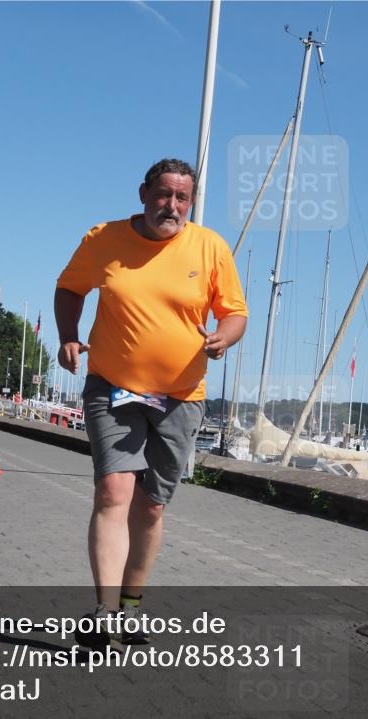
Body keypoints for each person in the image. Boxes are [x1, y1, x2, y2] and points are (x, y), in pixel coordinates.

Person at [54, 158, 247, 647]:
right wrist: (69, 336)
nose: (172, 206)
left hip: (181, 395)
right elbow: (70, 288)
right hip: (112, 386)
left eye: (182, 198)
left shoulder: (210, 247)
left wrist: (223, 337)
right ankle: (105, 610)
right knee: (113, 491)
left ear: (192, 202)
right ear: (144, 193)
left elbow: (235, 312)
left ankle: (132, 608)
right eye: (164, 194)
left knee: (152, 508)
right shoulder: (104, 239)